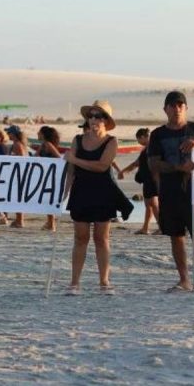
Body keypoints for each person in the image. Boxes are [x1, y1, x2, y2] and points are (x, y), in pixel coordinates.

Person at [148, 91, 194, 293]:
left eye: (180, 105)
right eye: (172, 105)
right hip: (169, 189)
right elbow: (153, 163)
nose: (176, 109)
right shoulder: (158, 134)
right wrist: (178, 168)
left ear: (186, 108)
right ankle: (184, 278)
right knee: (175, 235)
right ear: (165, 109)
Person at [63, 100, 132, 296]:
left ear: (106, 120)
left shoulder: (112, 142)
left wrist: (74, 159)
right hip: (81, 191)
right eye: (91, 116)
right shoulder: (78, 139)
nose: (93, 119)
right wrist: (64, 192)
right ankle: (74, 282)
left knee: (101, 238)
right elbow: (70, 171)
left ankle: (104, 281)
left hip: (103, 192)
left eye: (98, 116)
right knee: (80, 237)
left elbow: (102, 166)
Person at [119, 128, 161, 235]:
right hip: (147, 180)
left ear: (142, 137)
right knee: (148, 204)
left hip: (153, 179)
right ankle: (145, 228)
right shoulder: (146, 149)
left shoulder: (154, 147)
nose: (138, 142)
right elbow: (136, 163)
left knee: (153, 203)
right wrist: (123, 171)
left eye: (138, 140)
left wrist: (123, 172)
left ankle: (162, 227)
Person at [37, 125, 62, 231]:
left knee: (49, 198)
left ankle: (51, 223)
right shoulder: (43, 145)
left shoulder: (48, 144)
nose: (37, 134)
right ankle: (50, 222)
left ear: (43, 134)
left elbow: (58, 157)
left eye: (39, 132)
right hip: (45, 174)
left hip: (50, 175)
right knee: (46, 198)